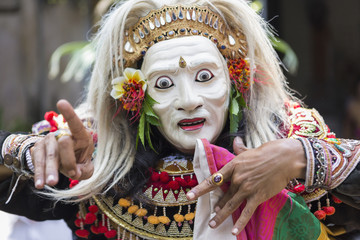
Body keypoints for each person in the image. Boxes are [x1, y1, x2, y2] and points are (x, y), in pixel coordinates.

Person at [1, 0, 359, 239]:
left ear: (234, 81)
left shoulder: (292, 142)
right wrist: (24, 152)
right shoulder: (97, 167)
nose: (189, 101)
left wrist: (300, 158)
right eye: (164, 84)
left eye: (205, 77)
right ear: (136, 98)